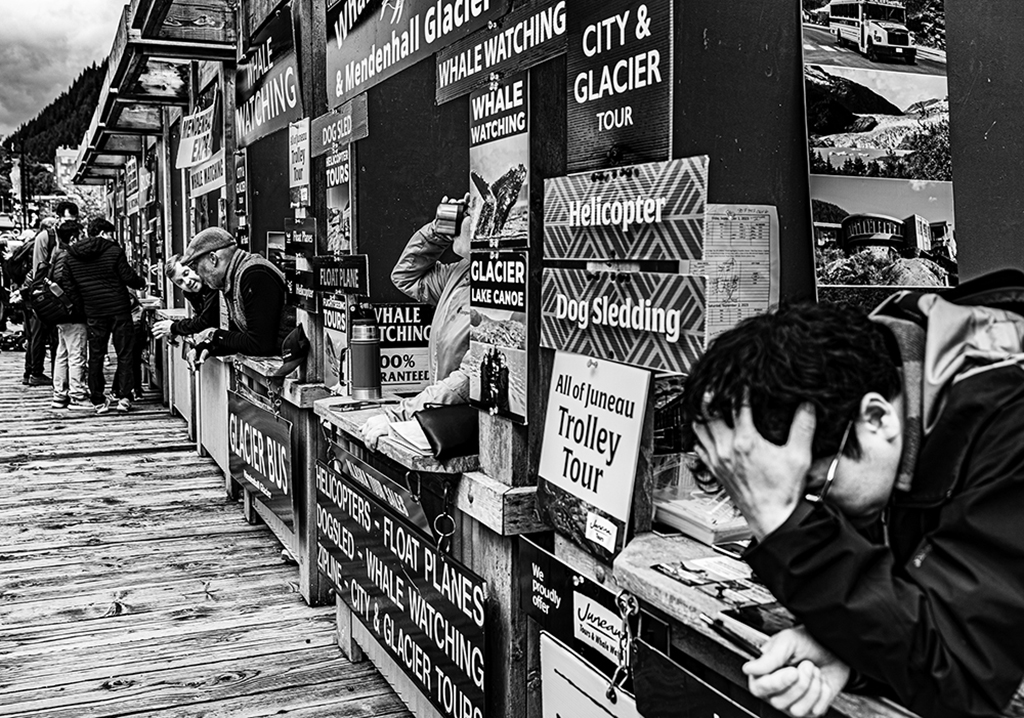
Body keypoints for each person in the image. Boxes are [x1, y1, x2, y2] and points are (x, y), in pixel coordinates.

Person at [680, 271, 1024, 718]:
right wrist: (847, 650)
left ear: (877, 418)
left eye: (814, 490)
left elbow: (965, 673)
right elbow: (929, 611)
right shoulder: (891, 371)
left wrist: (782, 523)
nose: (818, 515)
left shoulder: (1010, 419)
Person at [360, 193, 480, 449]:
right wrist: (439, 229)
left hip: (470, 428)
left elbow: (471, 378)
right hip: (442, 416)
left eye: (470, 212)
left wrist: (401, 414)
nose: (462, 216)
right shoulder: (461, 272)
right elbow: (405, 276)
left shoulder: (501, 286)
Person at [64, 217, 145, 413]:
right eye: (109, 233)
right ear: (102, 233)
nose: (111, 237)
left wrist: (84, 305)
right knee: (124, 353)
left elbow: (68, 285)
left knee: (97, 355)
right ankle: (124, 397)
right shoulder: (114, 251)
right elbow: (128, 278)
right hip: (119, 310)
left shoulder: (71, 256)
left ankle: (98, 399)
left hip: (94, 312)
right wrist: (141, 282)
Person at [179, 227, 294, 362]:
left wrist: (213, 334)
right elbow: (239, 338)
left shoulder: (254, 275)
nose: (197, 275)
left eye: (196, 267)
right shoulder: (233, 279)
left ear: (213, 259)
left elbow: (259, 344)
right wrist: (208, 348)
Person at [24, 204, 77, 385]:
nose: (70, 223)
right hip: (44, 292)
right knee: (39, 332)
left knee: (54, 335)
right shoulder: (45, 237)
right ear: (58, 217)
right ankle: (34, 373)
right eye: (68, 219)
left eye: (73, 220)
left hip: (56, 291)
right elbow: (39, 266)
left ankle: (54, 374)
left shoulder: (64, 237)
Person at [48, 216, 91, 410]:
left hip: (60, 312)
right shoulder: (70, 257)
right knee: (76, 353)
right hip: (72, 313)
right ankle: (77, 395)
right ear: (73, 238)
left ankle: (60, 394)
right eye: (80, 236)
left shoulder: (56, 254)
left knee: (63, 353)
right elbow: (68, 284)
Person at [151, 255, 219, 342]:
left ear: (193, 267)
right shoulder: (191, 294)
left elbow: (206, 321)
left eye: (186, 273)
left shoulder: (212, 284)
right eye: (180, 282)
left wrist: (174, 327)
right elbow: (199, 319)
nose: (187, 282)